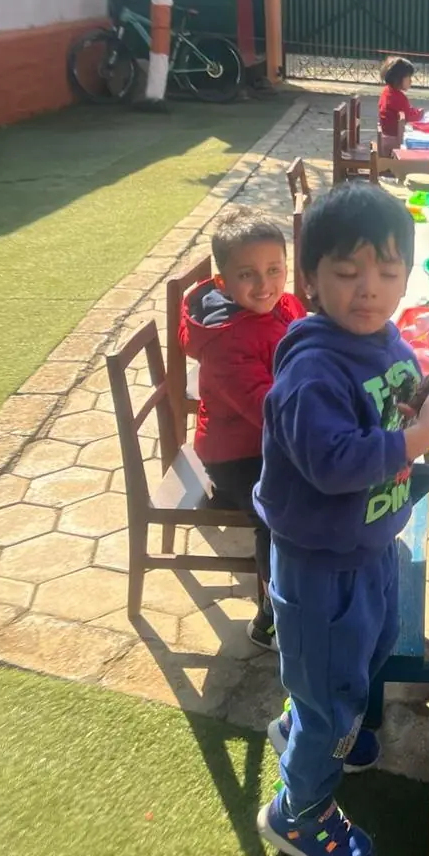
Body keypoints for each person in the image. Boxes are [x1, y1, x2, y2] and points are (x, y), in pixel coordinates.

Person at [254, 182, 429, 856]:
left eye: (388, 271)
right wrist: (418, 438)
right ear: (311, 279)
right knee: (334, 693)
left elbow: (396, 405)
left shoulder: (382, 339)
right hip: (321, 565)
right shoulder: (313, 368)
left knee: (366, 654)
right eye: (347, 272)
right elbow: (334, 461)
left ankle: (307, 721)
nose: (369, 289)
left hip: (368, 544)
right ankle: (298, 811)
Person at [179, 209, 306, 651]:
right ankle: (271, 619)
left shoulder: (283, 305)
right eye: (247, 274)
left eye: (274, 270)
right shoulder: (226, 342)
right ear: (223, 283)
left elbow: (307, 341)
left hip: (269, 436)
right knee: (279, 515)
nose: (265, 284)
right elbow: (268, 409)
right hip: (236, 453)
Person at [377, 55, 423, 138]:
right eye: (408, 77)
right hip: (395, 137)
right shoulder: (400, 98)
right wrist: (420, 114)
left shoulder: (387, 91)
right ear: (398, 78)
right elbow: (409, 117)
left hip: (388, 133)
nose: (411, 81)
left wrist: (415, 111)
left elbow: (406, 110)